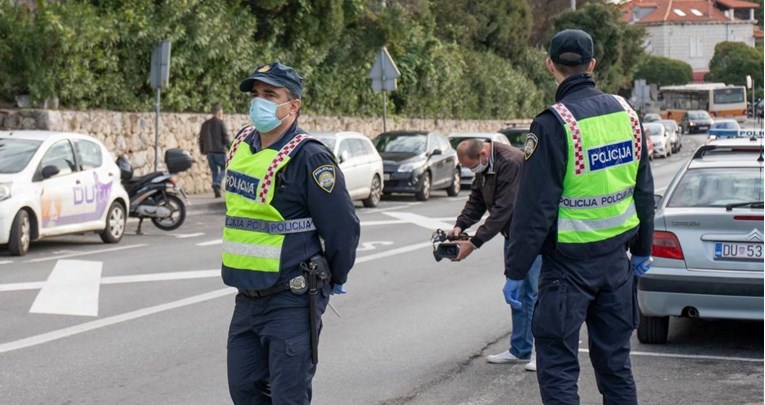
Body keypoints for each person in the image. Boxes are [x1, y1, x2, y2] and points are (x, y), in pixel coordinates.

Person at [504, 29, 655, 405]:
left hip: (567, 270)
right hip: (616, 267)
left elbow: (533, 208)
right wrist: (642, 250)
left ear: (549, 65)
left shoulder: (553, 124)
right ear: (592, 64)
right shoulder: (628, 115)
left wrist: (516, 270)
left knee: (557, 367)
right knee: (616, 366)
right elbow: (643, 189)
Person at [222, 62, 360, 404]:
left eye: (270, 95)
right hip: (247, 297)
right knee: (245, 392)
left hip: (292, 298)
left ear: (293, 105)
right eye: (255, 95)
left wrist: (333, 278)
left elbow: (343, 228)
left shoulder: (309, 157)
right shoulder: (242, 144)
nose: (260, 102)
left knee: (288, 396)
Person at [449, 138, 541, 372]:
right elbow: (477, 200)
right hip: (512, 234)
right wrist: (460, 225)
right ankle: (519, 350)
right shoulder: (485, 164)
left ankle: (542, 352)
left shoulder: (511, 162)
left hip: (531, 235)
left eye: (471, 166)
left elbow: (504, 209)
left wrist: (474, 243)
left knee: (534, 292)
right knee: (518, 292)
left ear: (482, 154)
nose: (472, 171)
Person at [199, 104, 230, 198]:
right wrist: (230, 148)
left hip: (209, 152)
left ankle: (217, 192)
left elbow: (201, 139)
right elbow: (225, 137)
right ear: (219, 113)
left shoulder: (205, 124)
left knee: (214, 171)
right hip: (219, 151)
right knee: (225, 168)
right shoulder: (221, 123)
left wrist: (202, 150)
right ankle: (216, 184)